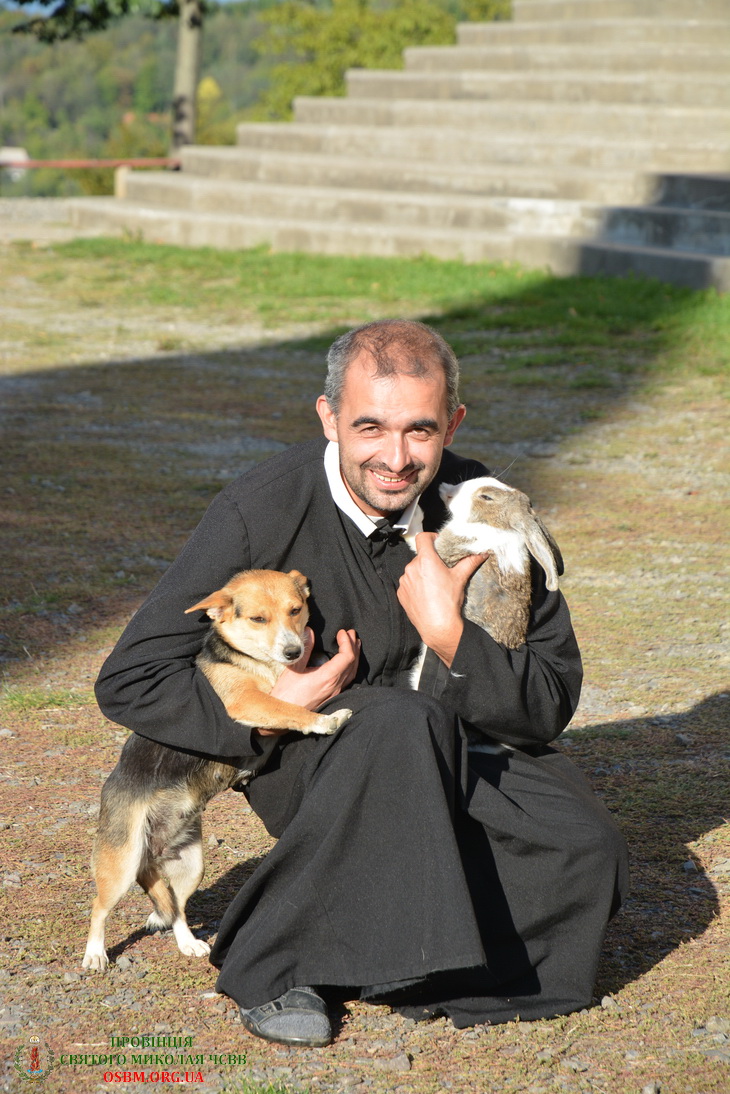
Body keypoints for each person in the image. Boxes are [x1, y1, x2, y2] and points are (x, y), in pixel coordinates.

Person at [95, 319, 629, 1048]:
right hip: (318, 760)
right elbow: (131, 679)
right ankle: (279, 960)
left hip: (454, 745)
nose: (396, 458)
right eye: (370, 427)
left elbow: (550, 701)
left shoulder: (485, 511)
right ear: (329, 418)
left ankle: (403, 960)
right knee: (396, 721)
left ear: (453, 425)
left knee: (585, 849)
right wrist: (271, 710)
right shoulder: (261, 507)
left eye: (421, 431)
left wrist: (452, 636)